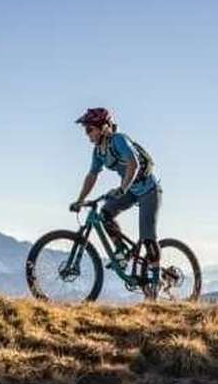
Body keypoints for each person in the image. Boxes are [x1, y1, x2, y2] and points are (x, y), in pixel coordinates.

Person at [68, 107, 162, 299]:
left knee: (148, 236)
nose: (87, 135)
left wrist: (123, 187)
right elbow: (92, 175)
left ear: (103, 128)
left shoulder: (119, 140)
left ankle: (156, 279)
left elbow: (133, 164)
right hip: (129, 190)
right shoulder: (98, 151)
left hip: (149, 190)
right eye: (86, 130)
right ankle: (121, 251)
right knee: (104, 214)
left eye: (89, 130)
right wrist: (80, 200)